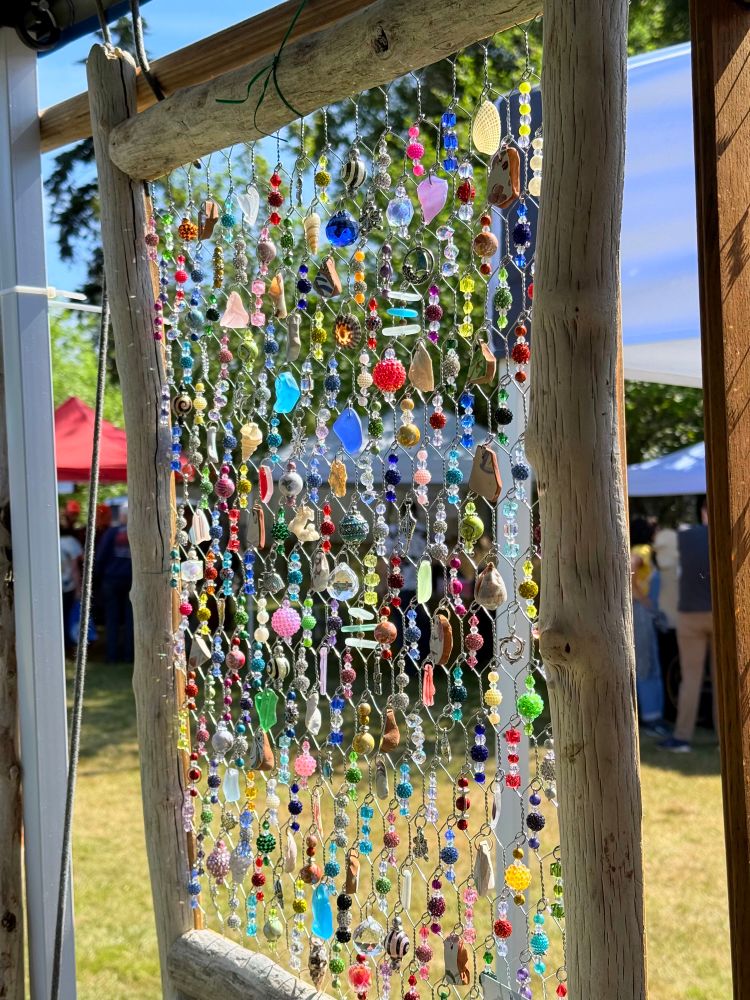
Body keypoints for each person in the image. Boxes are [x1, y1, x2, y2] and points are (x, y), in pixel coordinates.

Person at [659, 498, 714, 752]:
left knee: (690, 679)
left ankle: (682, 737)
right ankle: (727, 737)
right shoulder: (726, 536)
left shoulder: (684, 537)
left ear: (702, 511)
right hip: (721, 615)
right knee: (725, 679)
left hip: (689, 615)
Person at [630, 517, 667, 736]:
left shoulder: (643, 550)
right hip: (641, 612)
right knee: (646, 664)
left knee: (648, 663)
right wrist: (644, 601)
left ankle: (652, 716)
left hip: (642, 611)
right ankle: (651, 720)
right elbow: (630, 570)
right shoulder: (642, 550)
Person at [95, 504, 134, 663]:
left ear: (122, 516)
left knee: (112, 619)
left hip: (111, 580)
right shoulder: (137, 533)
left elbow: (100, 556)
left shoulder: (111, 532)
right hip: (131, 580)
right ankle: (129, 655)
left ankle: (111, 656)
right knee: (131, 619)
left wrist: (98, 577)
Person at [59, 513, 83, 653]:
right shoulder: (71, 543)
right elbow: (75, 568)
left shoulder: (48, 541)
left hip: (55, 586)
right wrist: (78, 589)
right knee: (66, 616)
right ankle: (67, 644)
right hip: (68, 586)